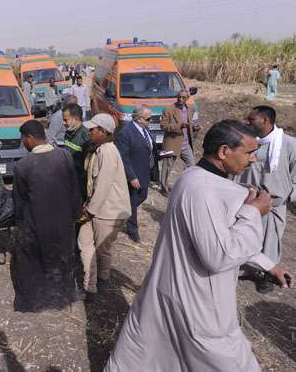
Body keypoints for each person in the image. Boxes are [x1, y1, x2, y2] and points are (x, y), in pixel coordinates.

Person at [104, 120, 292, 372]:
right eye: (249, 152)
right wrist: (253, 212)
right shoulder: (202, 189)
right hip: (199, 306)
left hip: (178, 294)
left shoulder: (197, 179)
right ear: (224, 152)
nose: (254, 160)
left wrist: (268, 266)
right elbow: (220, 255)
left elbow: (222, 237)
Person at [11, 120, 81, 312]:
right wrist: (75, 215)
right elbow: (74, 189)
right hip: (64, 223)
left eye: (23, 139)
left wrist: (20, 226)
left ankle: (35, 300)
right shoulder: (64, 156)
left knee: (33, 261)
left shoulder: (23, 166)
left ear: (31, 139)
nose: (23, 143)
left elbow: (20, 201)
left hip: (37, 225)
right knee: (62, 258)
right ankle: (62, 296)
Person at [236, 105, 296, 293]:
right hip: (248, 201)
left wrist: (290, 197)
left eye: (251, 119)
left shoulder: (288, 144)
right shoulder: (247, 142)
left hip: (274, 204)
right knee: (245, 234)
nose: (248, 122)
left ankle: (266, 276)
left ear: (266, 120)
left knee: (270, 239)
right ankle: (246, 267)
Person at [78, 114, 131, 299]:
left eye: (92, 129)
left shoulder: (108, 151)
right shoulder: (98, 149)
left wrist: (89, 211)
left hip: (108, 210)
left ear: (103, 131)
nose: (89, 132)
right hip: (96, 207)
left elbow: (103, 185)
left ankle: (101, 282)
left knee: (102, 249)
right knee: (84, 243)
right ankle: (90, 284)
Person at [115, 105, 159, 243]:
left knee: (142, 196)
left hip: (145, 172)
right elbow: (123, 157)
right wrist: (131, 176)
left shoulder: (145, 130)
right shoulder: (125, 133)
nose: (151, 121)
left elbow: (149, 148)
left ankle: (125, 210)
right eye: (148, 118)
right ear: (139, 119)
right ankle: (132, 230)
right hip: (134, 174)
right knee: (133, 201)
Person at [159, 89, 200, 194]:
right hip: (171, 144)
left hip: (185, 144)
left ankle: (186, 186)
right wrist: (179, 126)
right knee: (167, 167)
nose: (180, 99)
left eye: (183, 97)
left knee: (191, 166)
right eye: (179, 97)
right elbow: (163, 126)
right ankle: (163, 188)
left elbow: (190, 125)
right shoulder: (168, 109)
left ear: (187, 99)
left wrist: (195, 128)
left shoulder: (190, 109)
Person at [63, 103, 90, 199]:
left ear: (76, 119)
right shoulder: (68, 133)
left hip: (80, 182)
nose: (64, 123)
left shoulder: (86, 136)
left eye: (66, 120)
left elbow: (88, 165)